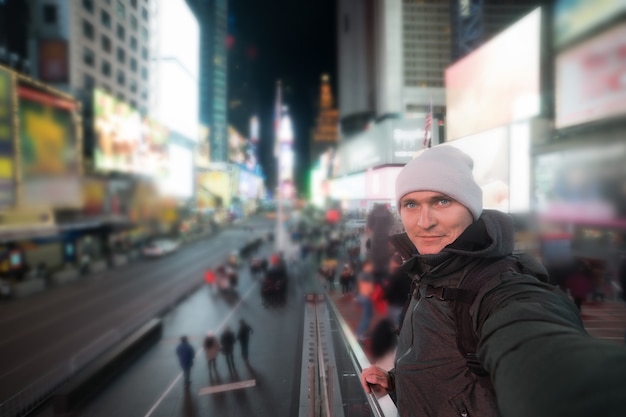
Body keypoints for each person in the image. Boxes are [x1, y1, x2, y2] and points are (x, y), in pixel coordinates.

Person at [360, 145, 626, 417]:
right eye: (411, 204)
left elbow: (535, 338)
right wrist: (396, 381)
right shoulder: (426, 271)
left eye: (442, 201)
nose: (424, 222)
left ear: (471, 208)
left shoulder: (500, 284)